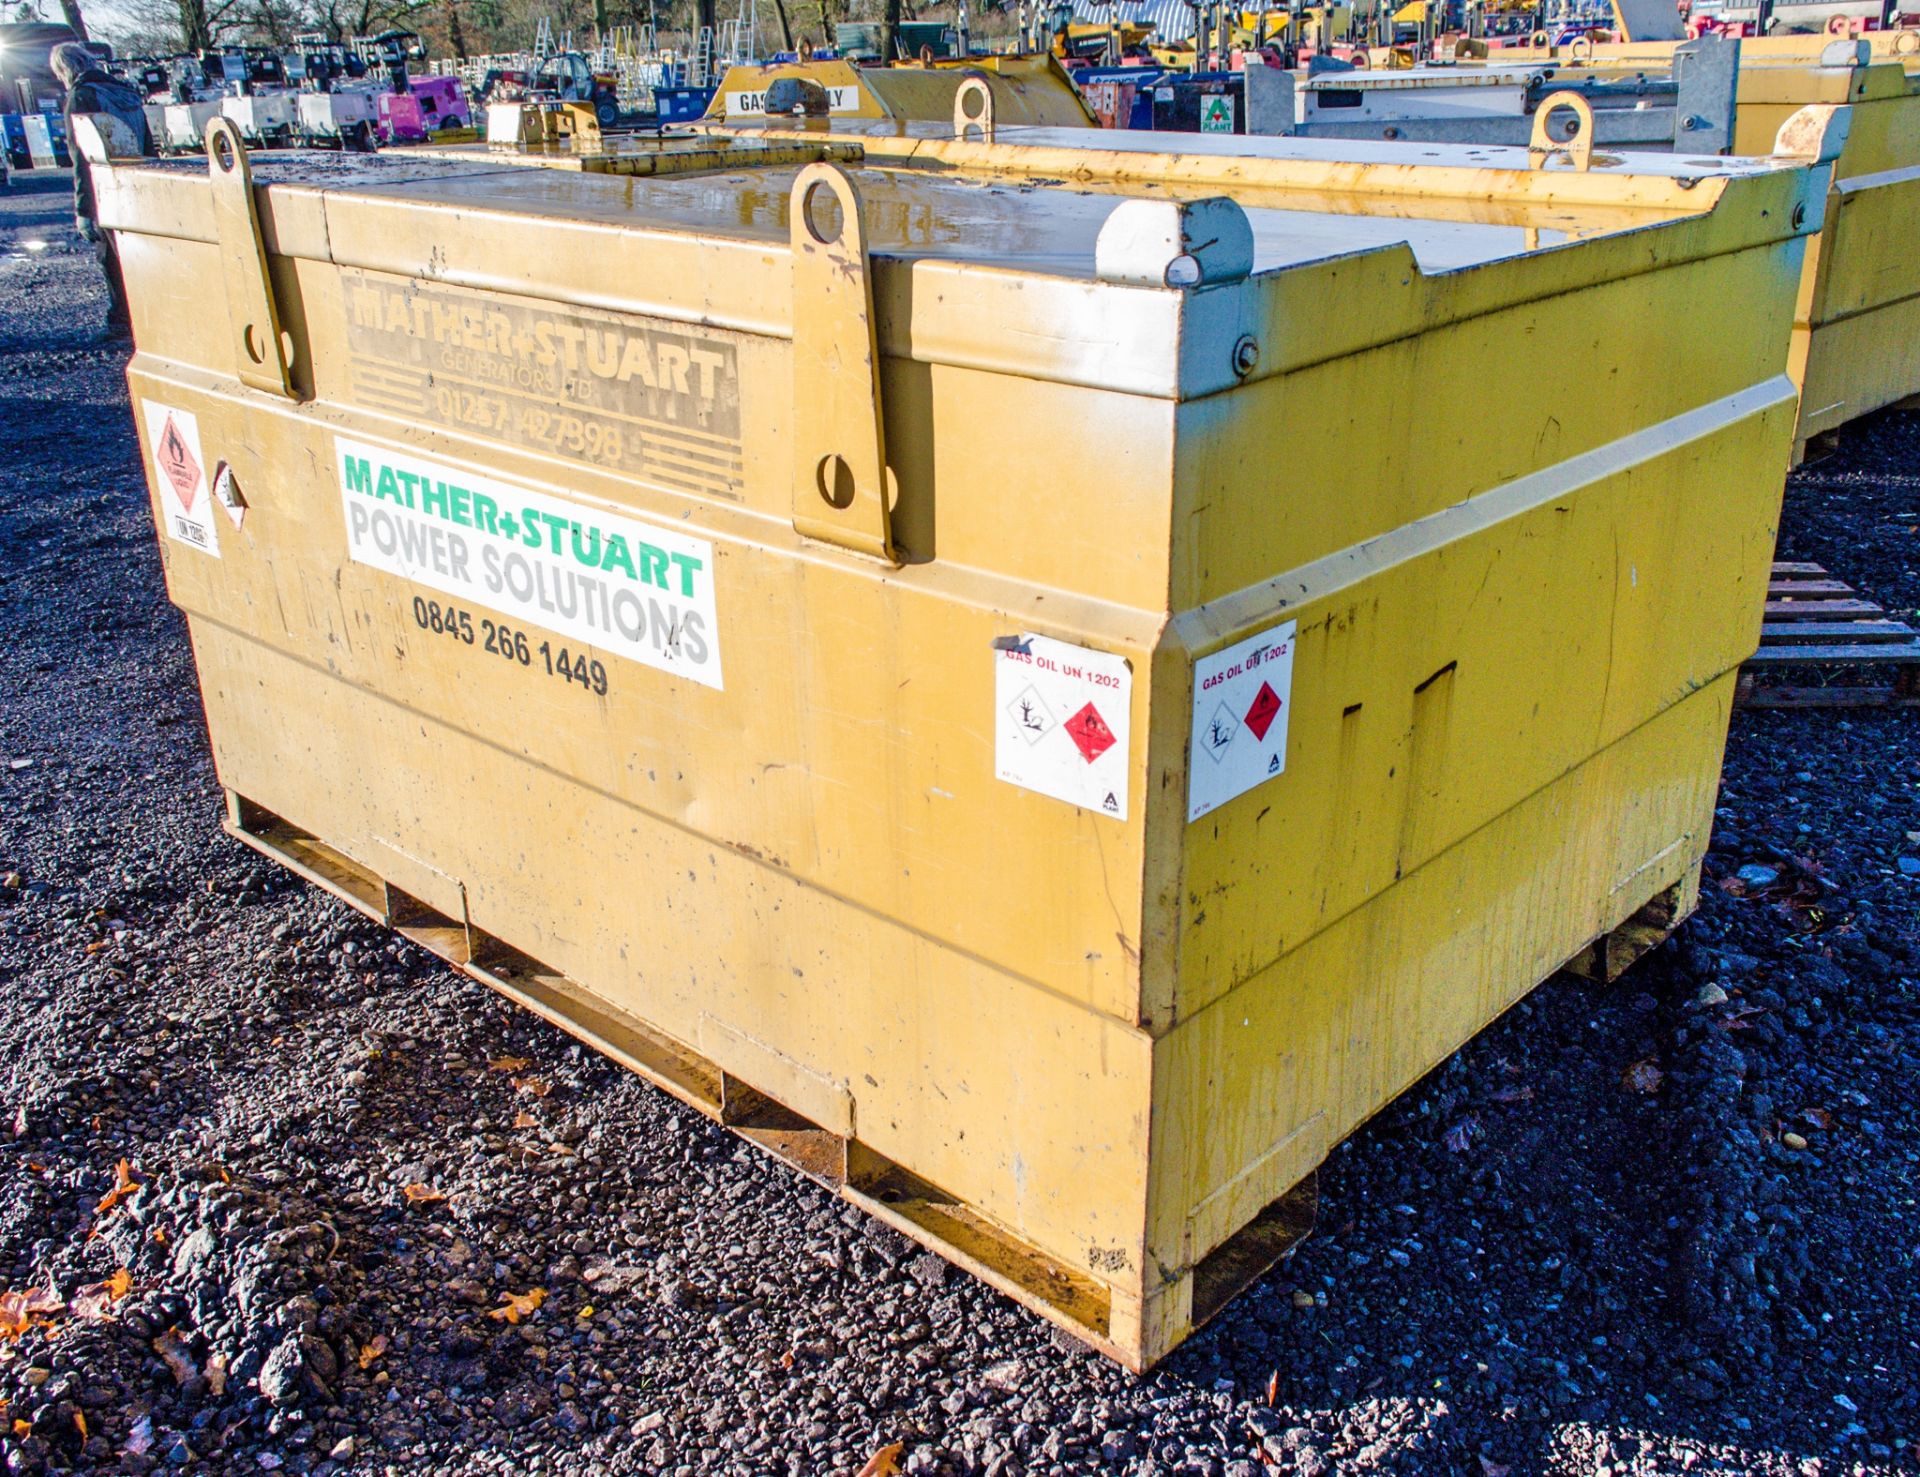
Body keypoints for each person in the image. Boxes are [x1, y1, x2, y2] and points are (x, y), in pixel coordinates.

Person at [49, 43, 152, 338]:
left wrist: (83, 210)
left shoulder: (81, 98)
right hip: (140, 181)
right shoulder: (125, 92)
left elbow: (82, 157)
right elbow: (147, 144)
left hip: (106, 188)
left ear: (65, 70)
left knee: (109, 257)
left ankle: (122, 320)